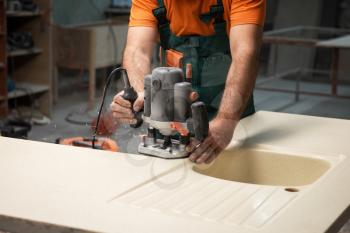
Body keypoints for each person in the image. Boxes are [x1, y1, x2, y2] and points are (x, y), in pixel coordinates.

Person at [110, 0, 265, 164]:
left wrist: (226, 121)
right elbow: (137, 51)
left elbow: (245, 52)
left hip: (234, 121)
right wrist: (141, 95)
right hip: (173, 119)